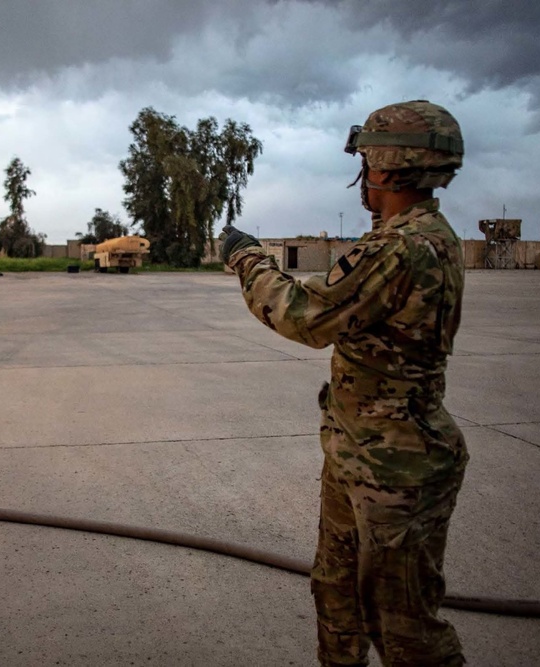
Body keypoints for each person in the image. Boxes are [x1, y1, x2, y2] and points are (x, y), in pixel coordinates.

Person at [219, 100, 468, 666]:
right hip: (360, 454)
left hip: (394, 473)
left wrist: (247, 258)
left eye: (364, 159)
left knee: (405, 632)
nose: (362, 173)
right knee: (336, 595)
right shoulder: (425, 235)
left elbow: (303, 315)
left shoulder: (400, 247)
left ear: (384, 165)